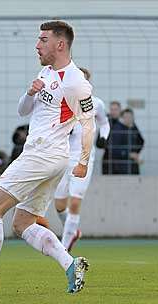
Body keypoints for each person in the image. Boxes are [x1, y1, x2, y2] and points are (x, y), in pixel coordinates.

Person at [0, 21, 93, 296]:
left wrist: (84, 161)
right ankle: (70, 263)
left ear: (60, 44)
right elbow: (22, 111)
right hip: (50, 157)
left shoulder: (76, 82)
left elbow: (89, 125)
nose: (37, 45)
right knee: (23, 223)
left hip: (42, 154)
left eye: (43, 40)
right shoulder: (47, 72)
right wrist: (30, 92)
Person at [53, 67, 110, 252]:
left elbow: (104, 122)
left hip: (84, 158)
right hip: (63, 158)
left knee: (75, 201)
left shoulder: (96, 104)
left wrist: (103, 137)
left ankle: (64, 247)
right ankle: (73, 231)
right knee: (59, 206)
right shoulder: (63, 104)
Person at [107, 108, 144, 174]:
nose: (129, 119)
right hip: (120, 167)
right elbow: (113, 149)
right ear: (122, 118)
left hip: (133, 166)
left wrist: (136, 154)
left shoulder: (133, 127)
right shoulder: (117, 129)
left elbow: (141, 141)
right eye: (126, 117)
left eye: (130, 117)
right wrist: (129, 154)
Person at [101, 101, 122, 174]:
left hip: (121, 159)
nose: (113, 112)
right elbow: (99, 144)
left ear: (120, 110)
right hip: (108, 158)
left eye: (115, 109)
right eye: (112, 109)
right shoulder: (106, 124)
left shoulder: (124, 123)